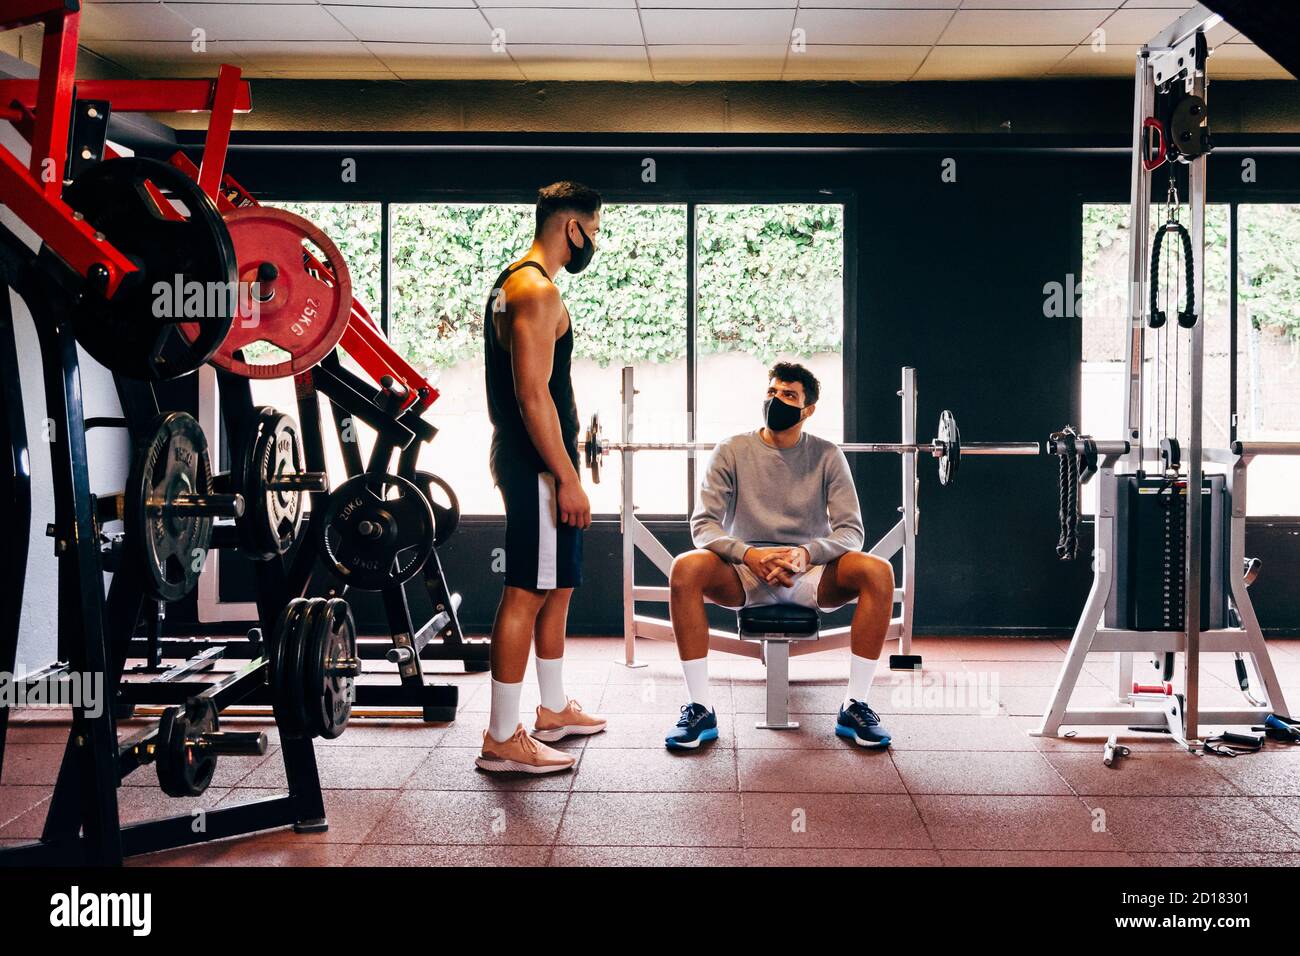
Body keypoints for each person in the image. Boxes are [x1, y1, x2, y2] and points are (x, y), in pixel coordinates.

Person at [665, 362, 895, 750]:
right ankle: (699, 707)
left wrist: (807, 554)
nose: (776, 401)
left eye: (789, 396)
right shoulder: (732, 450)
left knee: (879, 571)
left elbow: (851, 531)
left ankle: (856, 705)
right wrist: (748, 554)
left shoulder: (827, 455)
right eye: (772, 393)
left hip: (809, 572)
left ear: (808, 410)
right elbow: (704, 525)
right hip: (744, 572)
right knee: (685, 568)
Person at [477, 181, 607, 774]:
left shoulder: (517, 282)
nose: (594, 243)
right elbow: (532, 396)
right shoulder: (533, 288)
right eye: (595, 232)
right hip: (538, 466)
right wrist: (565, 477)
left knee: (558, 586)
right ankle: (503, 736)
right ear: (571, 228)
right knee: (526, 591)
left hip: (537, 461)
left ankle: (551, 709)